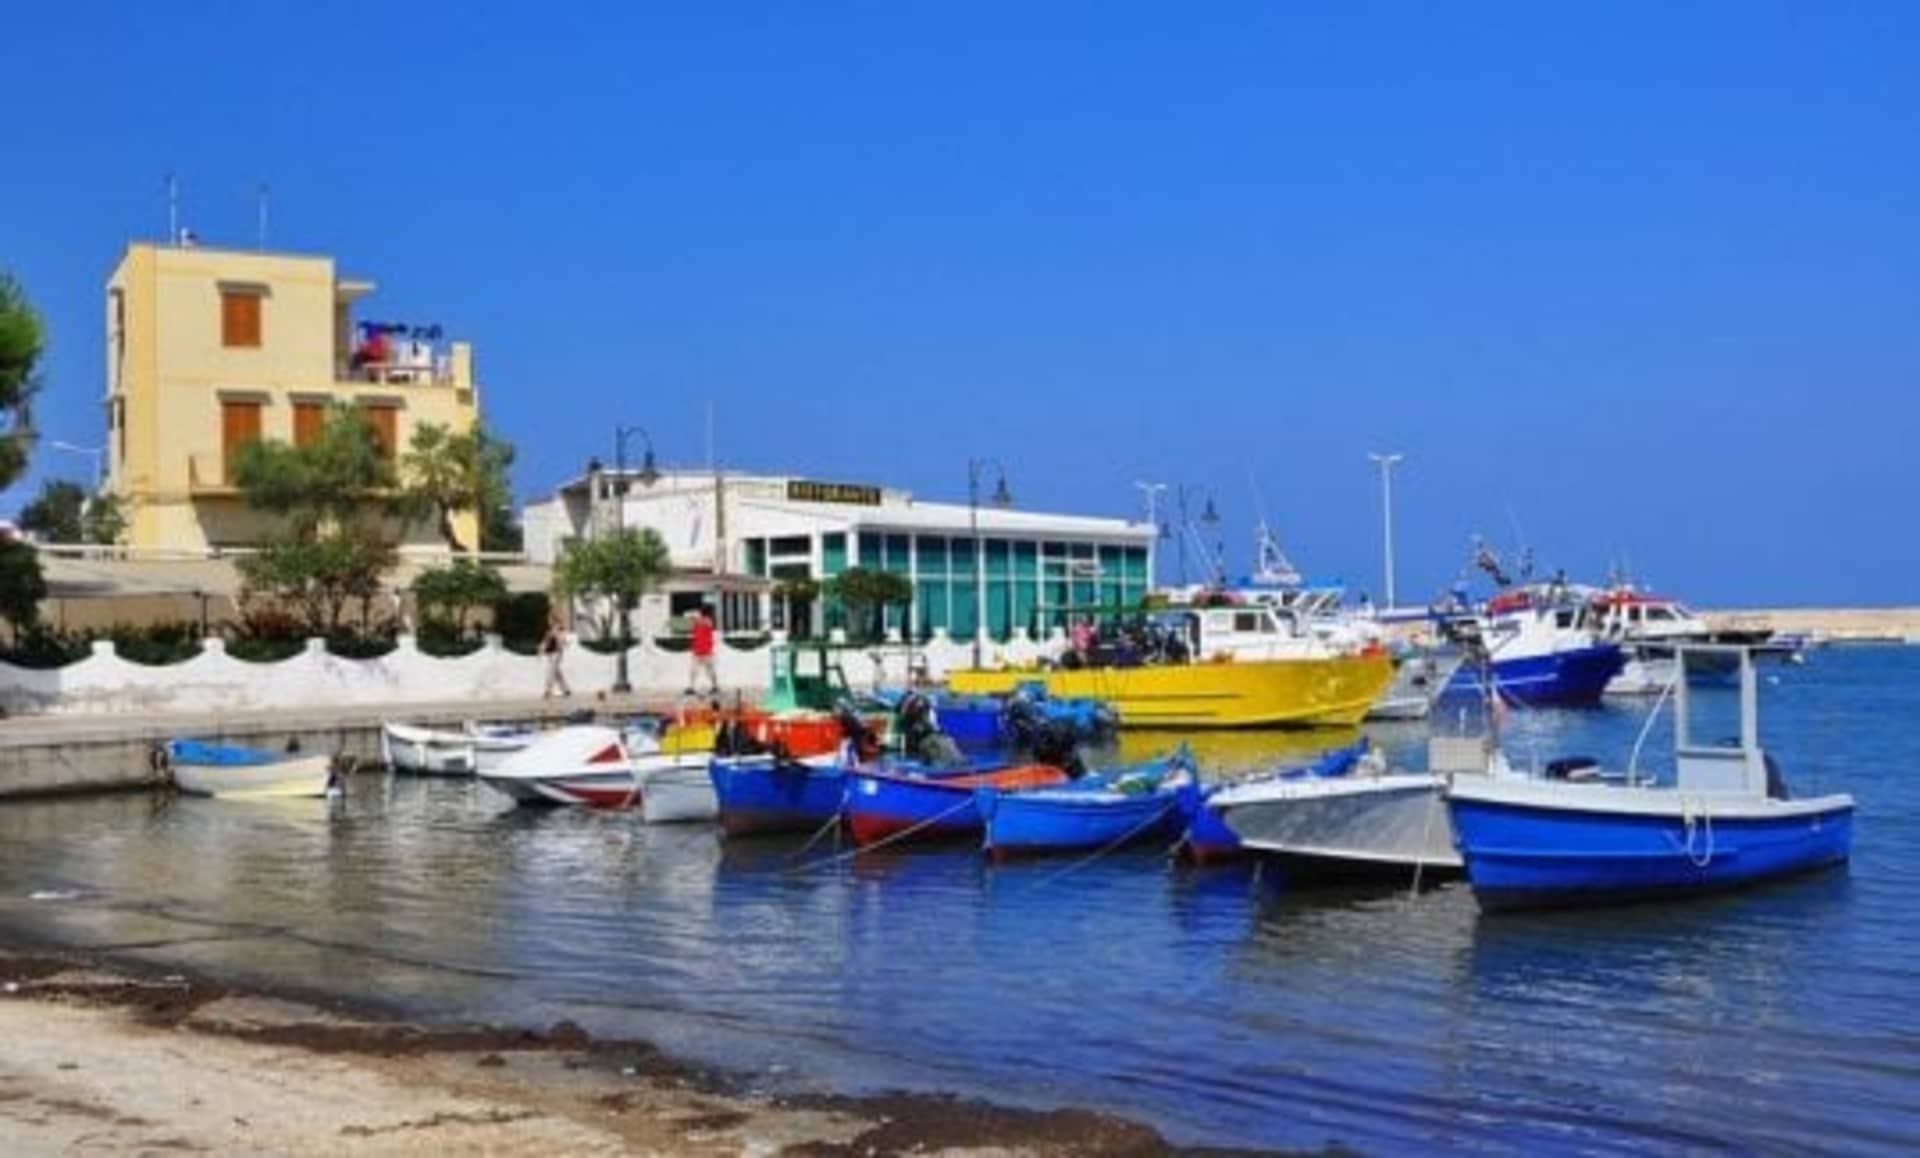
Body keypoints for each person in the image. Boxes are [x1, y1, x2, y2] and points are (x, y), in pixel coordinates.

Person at [687, 604, 720, 695]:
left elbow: (702, 622)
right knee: (693, 670)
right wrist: (695, 617)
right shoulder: (698, 622)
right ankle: (691, 687)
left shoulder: (708, 621)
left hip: (707, 651)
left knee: (710, 671)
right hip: (697, 651)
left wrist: (696, 617)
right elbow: (690, 618)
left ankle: (715, 686)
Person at [541, 614, 571, 699]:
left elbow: (562, 640)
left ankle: (547, 691)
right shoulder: (550, 629)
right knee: (557, 673)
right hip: (551, 653)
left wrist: (559, 641)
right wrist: (543, 649)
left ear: (554, 620)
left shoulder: (559, 629)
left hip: (556, 653)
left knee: (551, 671)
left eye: (550, 619)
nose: (549, 621)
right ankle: (566, 689)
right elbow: (546, 640)